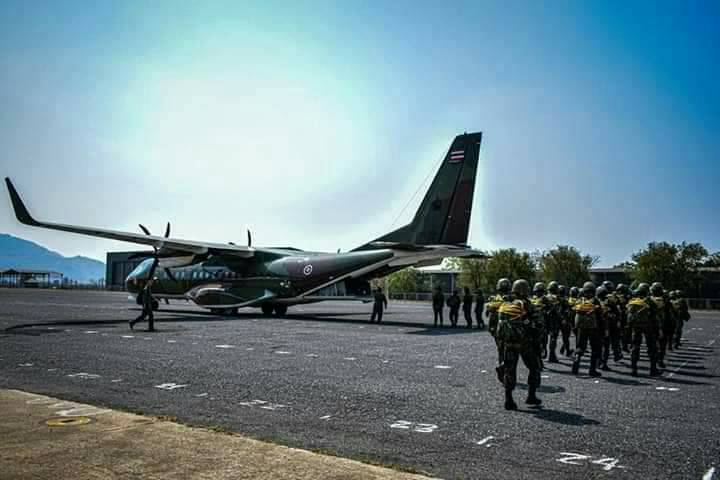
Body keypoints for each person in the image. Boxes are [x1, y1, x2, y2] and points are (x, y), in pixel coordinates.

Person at [496, 279, 542, 410]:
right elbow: (539, 324)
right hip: (525, 343)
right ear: (525, 290)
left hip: (509, 342)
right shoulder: (527, 305)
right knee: (534, 367)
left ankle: (508, 399)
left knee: (510, 370)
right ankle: (531, 396)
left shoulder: (506, 303)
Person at [627, 283, 661, 376]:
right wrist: (657, 329)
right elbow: (655, 315)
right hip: (648, 327)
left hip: (636, 327)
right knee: (652, 347)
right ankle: (653, 369)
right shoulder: (650, 301)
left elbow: (629, 316)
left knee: (635, 347)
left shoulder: (633, 301)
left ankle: (634, 369)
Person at [571, 282, 604, 377]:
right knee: (595, 349)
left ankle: (577, 359)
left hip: (581, 328)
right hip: (593, 328)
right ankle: (592, 370)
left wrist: (575, 327)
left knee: (580, 347)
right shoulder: (596, 301)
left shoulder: (579, 301)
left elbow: (573, 314)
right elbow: (600, 316)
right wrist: (602, 329)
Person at [487, 278, 511, 378]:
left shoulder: (494, 299)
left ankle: (503, 367)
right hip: (509, 329)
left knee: (501, 350)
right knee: (508, 350)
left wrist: (491, 329)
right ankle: (504, 369)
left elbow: (490, 313)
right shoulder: (512, 299)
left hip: (498, 329)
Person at [650, 282, 675, 369]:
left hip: (652, 325)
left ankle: (654, 363)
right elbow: (671, 314)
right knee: (662, 345)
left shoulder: (649, 300)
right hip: (663, 326)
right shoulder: (666, 301)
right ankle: (660, 360)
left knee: (653, 345)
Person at [597, 284, 622, 371]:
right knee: (606, 346)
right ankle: (603, 363)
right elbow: (618, 313)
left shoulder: (596, 302)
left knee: (600, 346)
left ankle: (599, 362)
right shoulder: (610, 301)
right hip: (609, 327)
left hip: (601, 327)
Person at [530, 282, 549, 366]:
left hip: (542, 323)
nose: (539, 293)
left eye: (540, 291)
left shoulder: (545, 299)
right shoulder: (532, 299)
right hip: (535, 324)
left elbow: (551, 309)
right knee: (536, 342)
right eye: (538, 291)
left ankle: (542, 353)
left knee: (542, 341)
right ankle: (539, 360)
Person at [544, 281, 563, 363]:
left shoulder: (545, 297)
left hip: (545, 319)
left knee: (544, 336)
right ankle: (551, 355)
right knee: (553, 337)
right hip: (554, 320)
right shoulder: (558, 298)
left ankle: (543, 351)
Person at [560, 286, 579, 357]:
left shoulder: (567, 300)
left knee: (566, 336)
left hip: (566, 319)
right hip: (572, 320)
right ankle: (572, 350)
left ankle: (564, 349)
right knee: (577, 335)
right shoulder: (576, 301)